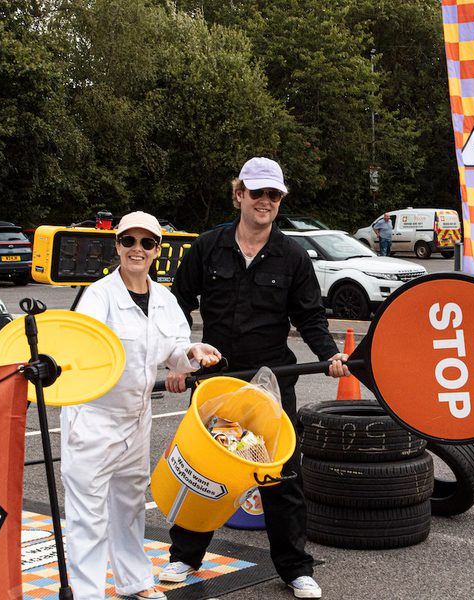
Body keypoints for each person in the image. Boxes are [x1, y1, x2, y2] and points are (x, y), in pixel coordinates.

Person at [162, 157, 349, 600]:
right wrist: (178, 358)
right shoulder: (207, 247)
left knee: (281, 476)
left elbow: (310, 317)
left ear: (280, 200)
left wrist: (330, 355)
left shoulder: (293, 256)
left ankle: (294, 568)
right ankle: (185, 557)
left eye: (273, 195)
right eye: (257, 192)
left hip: (270, 381)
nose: (265, 201)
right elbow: (175, 306)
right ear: (239, 194)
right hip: (215, 380)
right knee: (203, 473)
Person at [65, 211, 222, 600]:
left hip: (137, 418)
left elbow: (173, 351)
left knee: (130, 503)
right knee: (88, 513)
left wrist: (192, 352)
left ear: (157, 250)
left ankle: (134, 582)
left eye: (146, 243)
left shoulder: (166, 299)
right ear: (117, 245)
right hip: (94, 418)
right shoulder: (98, 296)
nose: (137, 249)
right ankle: (86, 594)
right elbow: (82, 352)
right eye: (129, 241)